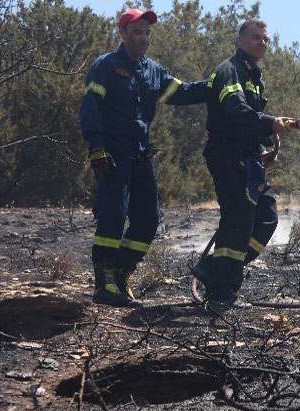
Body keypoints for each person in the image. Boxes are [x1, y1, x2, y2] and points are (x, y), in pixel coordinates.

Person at [79, 8, 207, 307]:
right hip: (112, 153)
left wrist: (215, 85)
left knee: (148, 220)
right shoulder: (106, 66)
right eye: (137, 32)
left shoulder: (154, 71)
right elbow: (90, 107)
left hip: (140, 155)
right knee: (112, 216)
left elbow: (183, 92)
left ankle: (121, 274)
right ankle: (104, 285)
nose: (143, 38)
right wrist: (96, 146)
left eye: (147, 32)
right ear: (123, 33)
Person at [193, 18, 295, 306]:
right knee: (237, 221)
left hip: (248, 158)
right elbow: (236, 110)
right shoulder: (230, 72)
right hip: (227, 156)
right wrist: (270, 123)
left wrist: (262, 151)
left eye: (265, 39)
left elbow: (247, 125)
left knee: (266, 217)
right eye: (255, 38)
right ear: (240, 40)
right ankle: (221, 293)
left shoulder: (255, 78)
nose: (262, 43)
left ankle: (214, 269)